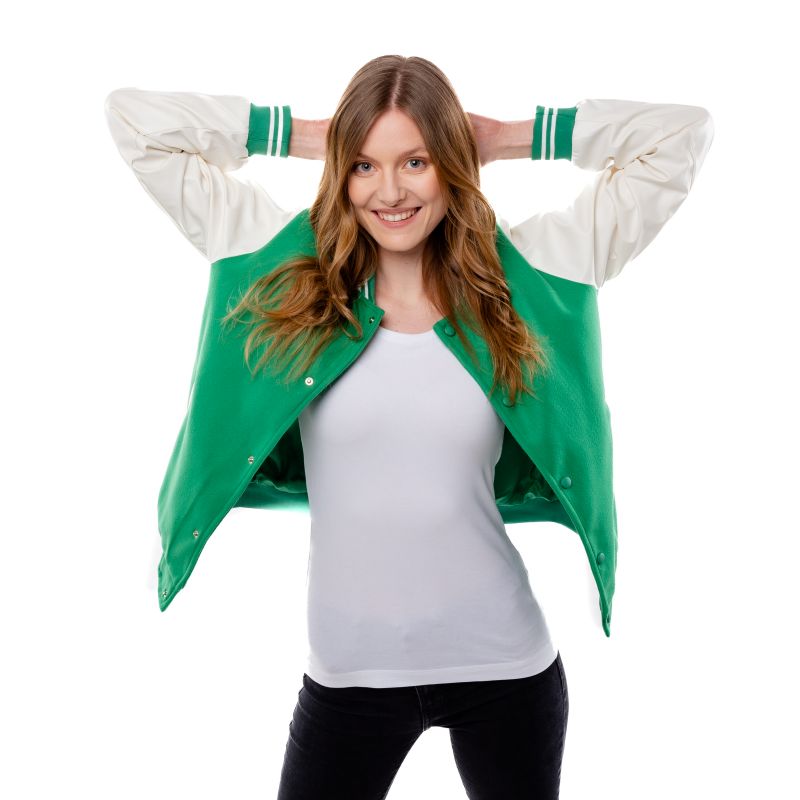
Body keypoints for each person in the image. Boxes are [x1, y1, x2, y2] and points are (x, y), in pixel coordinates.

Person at [104, 54, 713, 799]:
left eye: (416, 162)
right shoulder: (278, 263)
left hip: (505, 669)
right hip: (348, 680)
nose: (389, 192)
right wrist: (313, 136)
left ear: (451, 163)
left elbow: (681, 137)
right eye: (365, 166)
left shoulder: (535, 270)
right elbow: (134, 122)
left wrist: (505, 138)